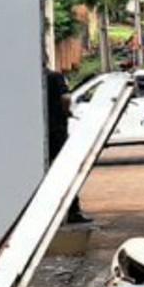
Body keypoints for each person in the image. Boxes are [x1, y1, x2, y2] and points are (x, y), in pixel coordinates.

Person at [46, 69, 91, 223]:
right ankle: (73, 211)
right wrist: (66, 112)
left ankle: (45, 213)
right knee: (66, 171)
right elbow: (66, 98)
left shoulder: (30, 79)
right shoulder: (55, 77)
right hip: (57, 131)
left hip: (38, 134)